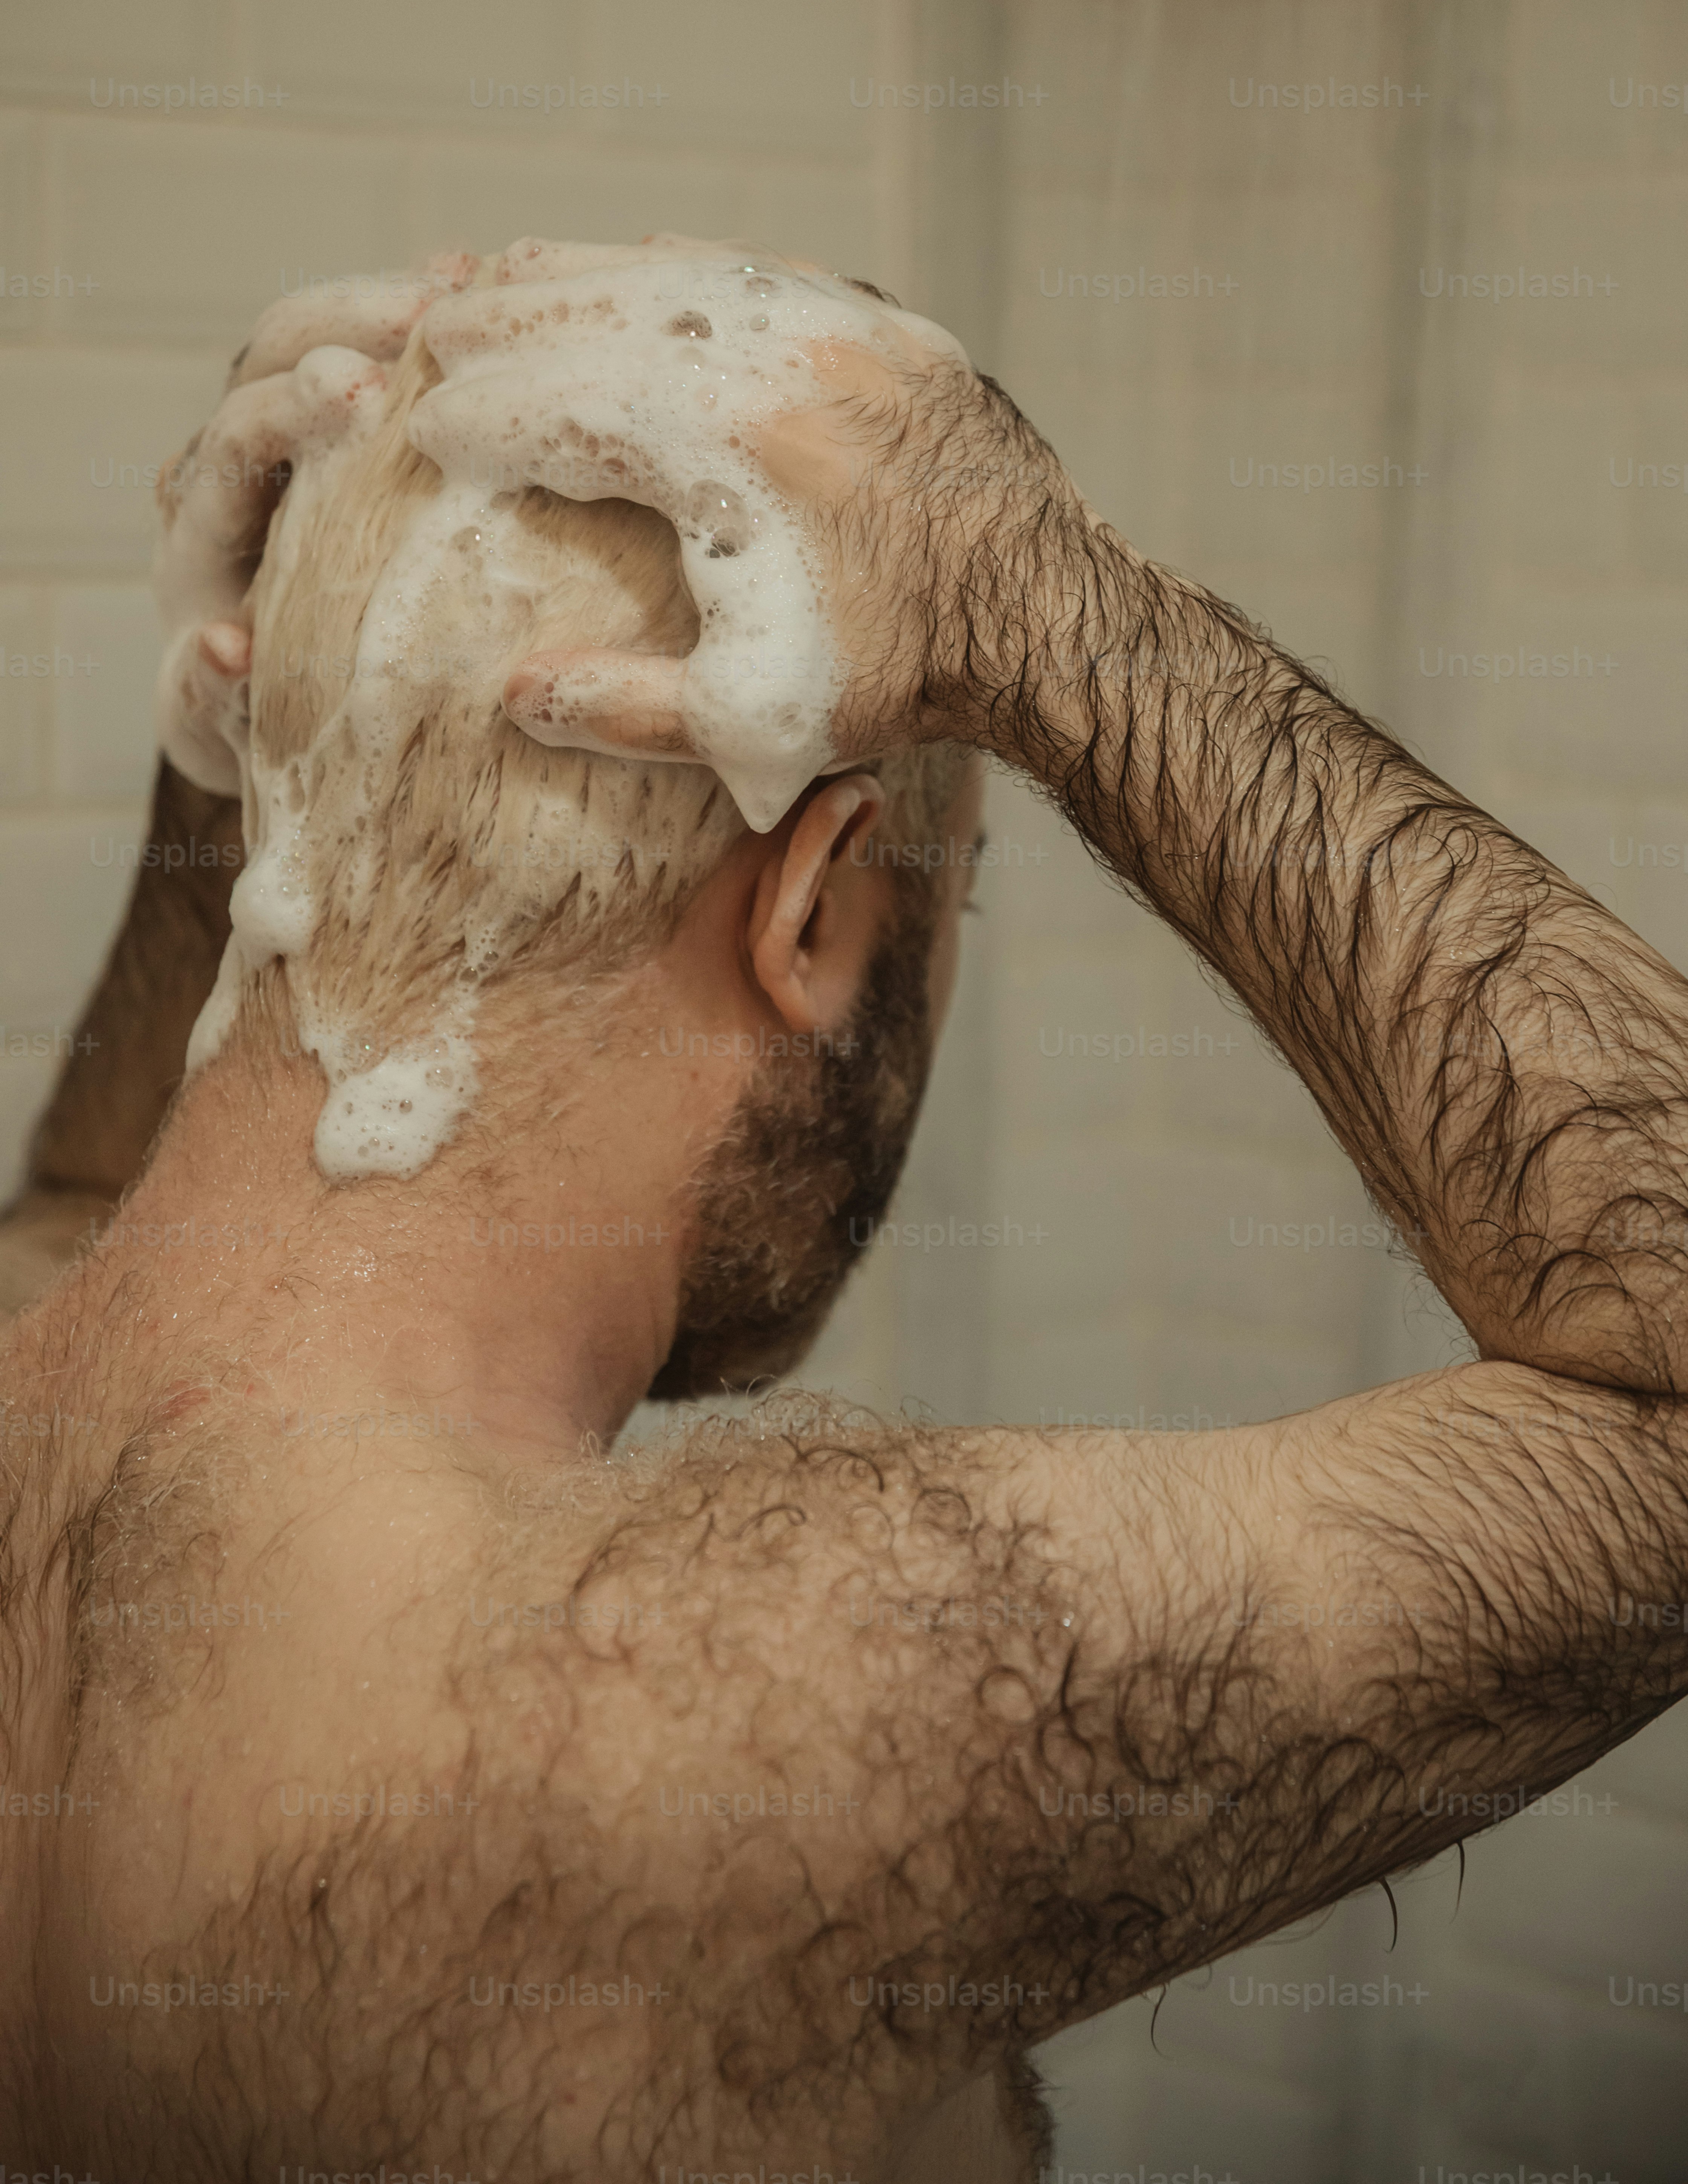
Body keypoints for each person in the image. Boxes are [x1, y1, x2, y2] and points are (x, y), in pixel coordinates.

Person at [1, 235, 1684, 2184]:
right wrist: (1043, 606)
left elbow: (86, 1193)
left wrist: (271, 752)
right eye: (949, 902)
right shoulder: (722, 1695)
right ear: (815, 908)